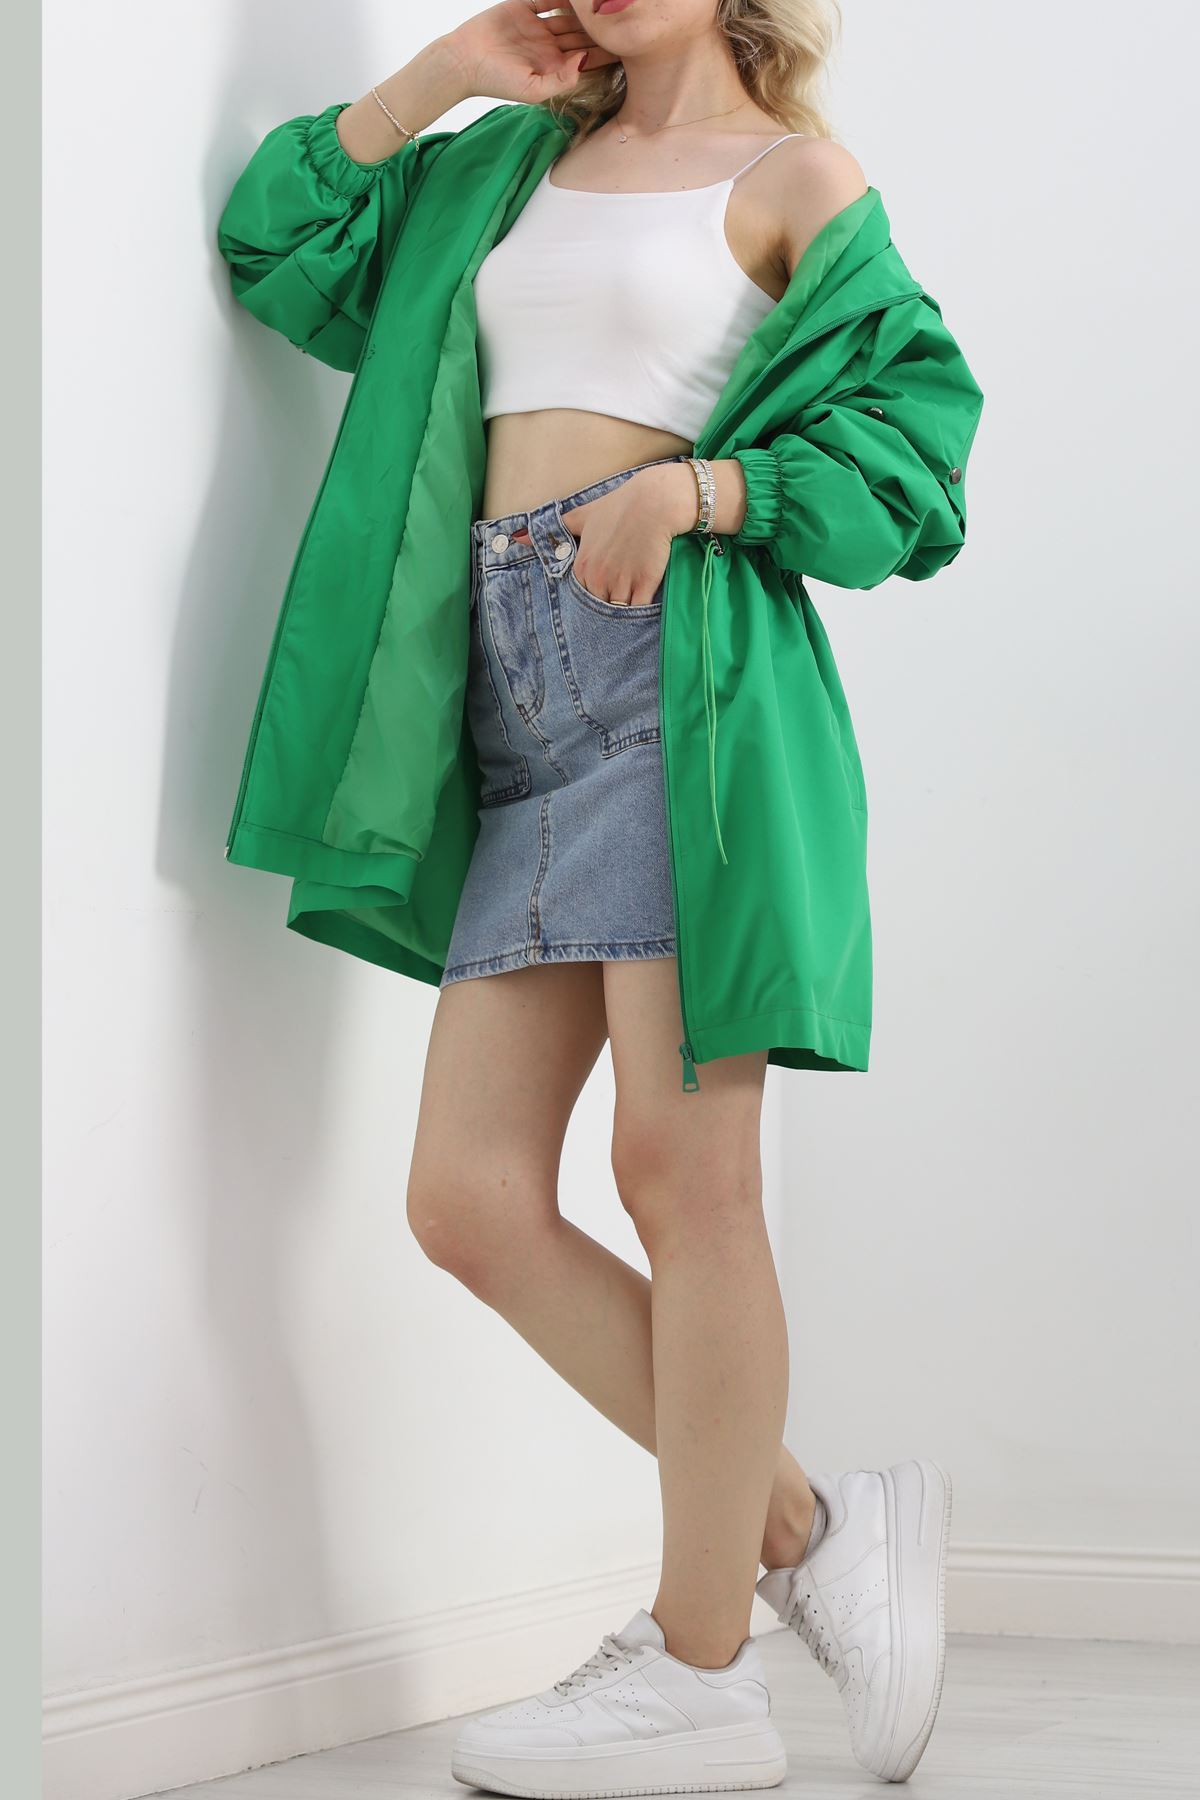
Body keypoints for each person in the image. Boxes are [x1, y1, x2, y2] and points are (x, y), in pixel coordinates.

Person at [217, 2, 982, 1793]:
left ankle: (703, 1670)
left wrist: (710, 486)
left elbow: (920, 452)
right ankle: (803, 1530)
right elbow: (278, 242)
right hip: (504, 694)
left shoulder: (795, 180)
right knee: (469, 1198)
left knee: (681, 1175)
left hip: (670, 690)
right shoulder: (501, 167)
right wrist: (449, 74)